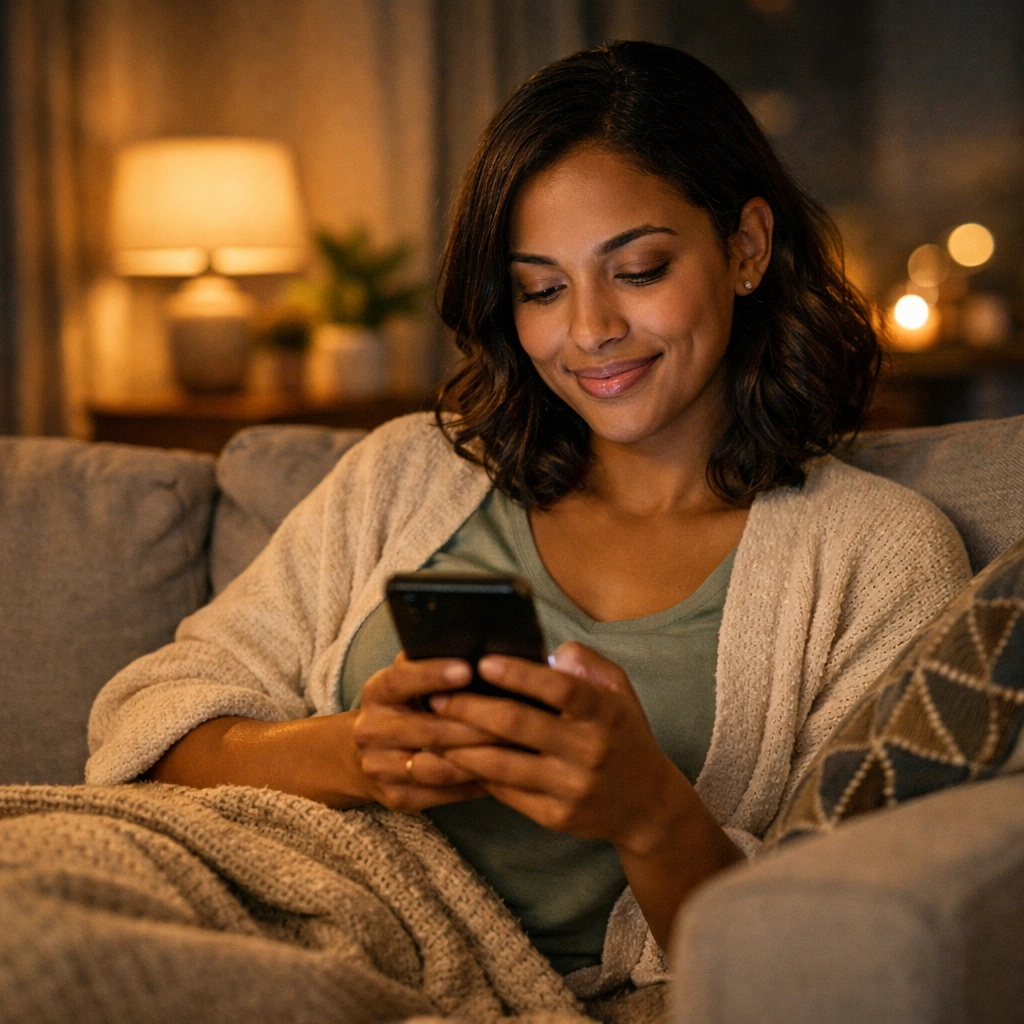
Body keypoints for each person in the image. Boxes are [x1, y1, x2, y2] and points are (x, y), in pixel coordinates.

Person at [87, 41, 970, 977]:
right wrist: (356, 754)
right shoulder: (408, 474)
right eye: (541, 289)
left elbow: (850, 950)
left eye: (637, 271)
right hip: (251, 905)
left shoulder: (883, 558)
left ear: (745, 248)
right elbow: (150, 722)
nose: (588, 330)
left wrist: (648, 811)